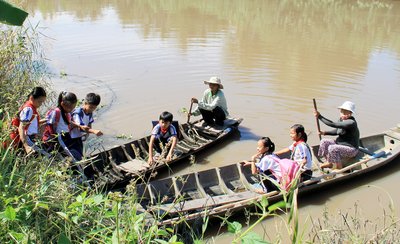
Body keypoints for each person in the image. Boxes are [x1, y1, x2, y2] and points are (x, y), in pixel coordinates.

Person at [314, 101, 360, 169]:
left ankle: (339, 167)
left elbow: (333, 124)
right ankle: (329, 162)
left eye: (346, 113)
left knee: (332, 148)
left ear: (350, 113)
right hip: (340, 144)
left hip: (351, 149)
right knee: (324, 142)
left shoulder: (351, 123)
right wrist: (325, 133)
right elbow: (338, 131)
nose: (343, 114)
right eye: (342, 112)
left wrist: (319, 117)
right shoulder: (341, 120)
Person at [13, 87, 50, 157]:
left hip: (31, 138)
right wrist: (26, 146)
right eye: (40, 101)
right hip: (28, 139)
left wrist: (46, 120)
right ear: (32, 98)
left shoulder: (31, 108)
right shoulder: (28, 109)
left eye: (42, 102)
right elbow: (21, 127)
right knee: (47, 156)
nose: (41, 104)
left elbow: (32, 123)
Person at [42, 91, 79, 161]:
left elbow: (67, 124)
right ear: (62, 104)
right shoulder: (56, 111)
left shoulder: (67, 113)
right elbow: (49, 124)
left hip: (65, 137)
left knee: (69, 155)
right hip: (59, 137)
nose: (72, 110)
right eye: (70, 108)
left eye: (73, 107)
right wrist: (53, 137)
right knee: (70, 156)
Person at [70, 93, 103, 160]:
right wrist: (93, 131)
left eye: (94, 108)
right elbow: (81, 127)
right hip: (71, 137)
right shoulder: (78, 113)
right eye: (90, 107)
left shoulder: (89, 112)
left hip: (79, 137)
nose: (92, 109)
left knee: (79, 154)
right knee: (74, 155)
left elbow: (89, 124)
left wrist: (87, 133)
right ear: (85, 103)